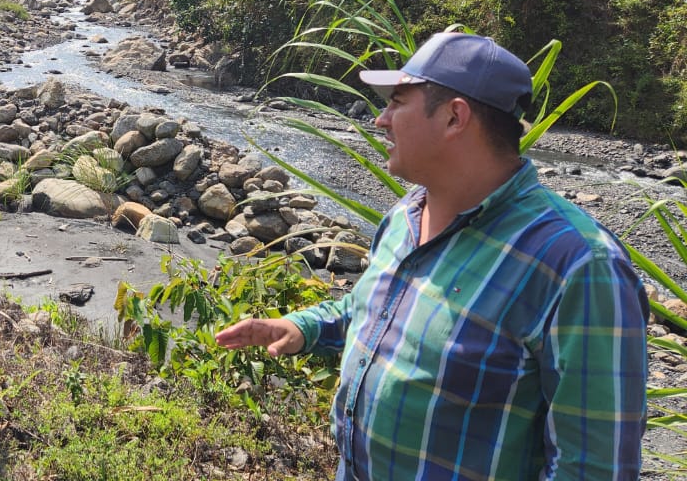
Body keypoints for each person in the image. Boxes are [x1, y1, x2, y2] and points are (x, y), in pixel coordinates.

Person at [216, 32, 648, 480]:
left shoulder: (580, 266)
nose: (381, 120)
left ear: (453, 117)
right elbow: (375, 312)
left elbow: (595, 469)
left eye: (397, 101)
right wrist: (302, 327)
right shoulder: (407, 215)